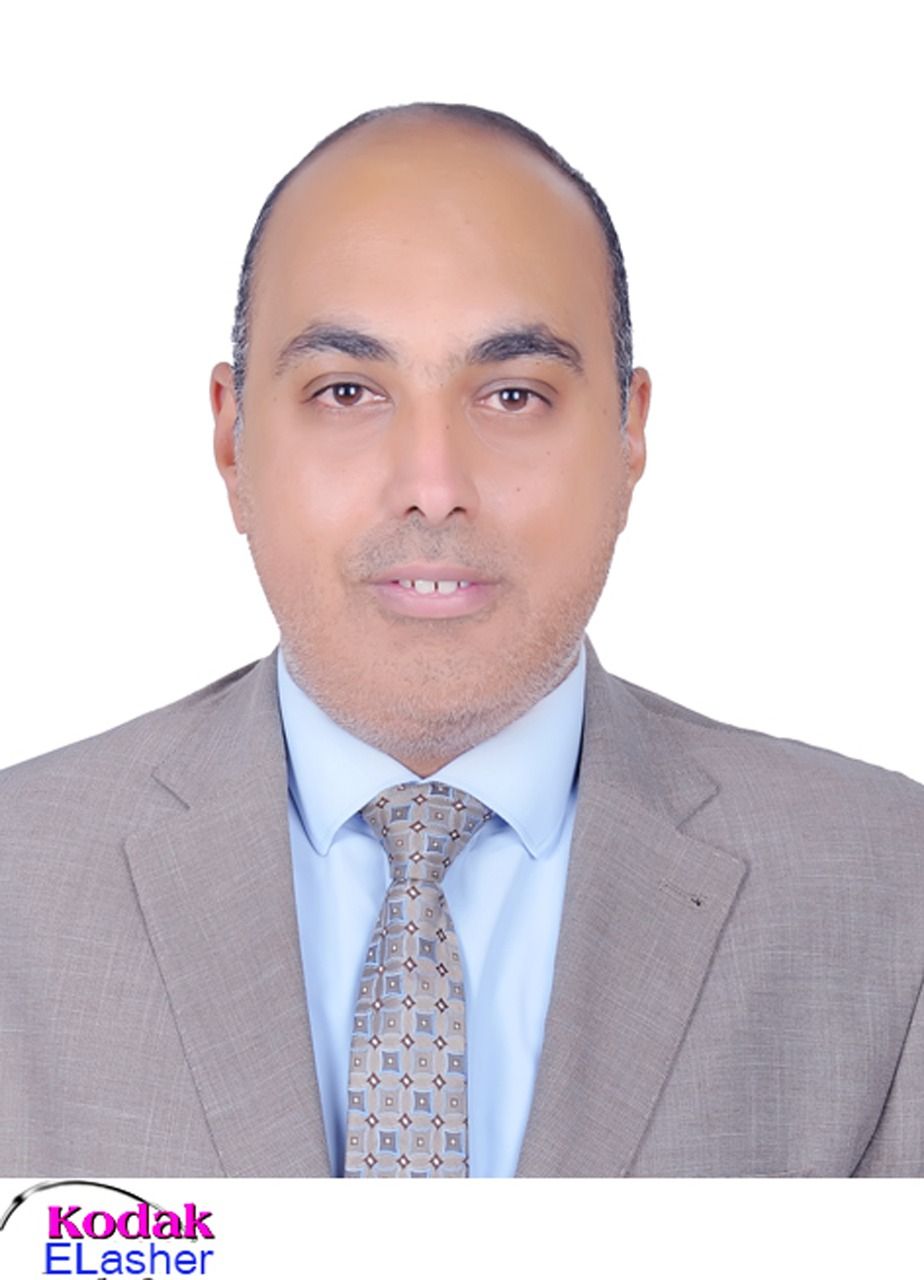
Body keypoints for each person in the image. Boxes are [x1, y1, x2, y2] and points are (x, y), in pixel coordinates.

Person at [1, 102, 922, 1179]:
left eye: (514, 394)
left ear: (629, 433)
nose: (433, 485)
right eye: (348, 391)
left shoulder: (888, 885)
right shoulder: (21, 879)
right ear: (232, 438)